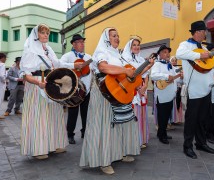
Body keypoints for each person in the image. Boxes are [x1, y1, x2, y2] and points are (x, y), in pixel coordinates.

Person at [80, 27, 153, 175]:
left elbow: (131, 76)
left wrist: (147, 67)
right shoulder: (102, 51)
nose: (117, 38)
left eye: (118, 36)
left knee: (121, 124)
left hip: (118, 94)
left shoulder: (119, 55)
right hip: (103, 93)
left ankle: (120, 153)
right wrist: (125, 71)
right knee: (105, 126)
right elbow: (103, 67)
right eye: (113, 36)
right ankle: (103, 160)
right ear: (107, 38)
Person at [20, 24, 83, 159]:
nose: (46, 35)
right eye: (43, 33)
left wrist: (74, 65)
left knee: (54, 115)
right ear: (36, 35)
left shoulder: (48, 49)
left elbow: (58, 64)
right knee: (40, 117)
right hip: (37, 85)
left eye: (47, 33)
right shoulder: (30, 50)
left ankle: (55, 144)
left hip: (51, 84)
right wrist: (38, 82)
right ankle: (38, 149)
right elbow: (25, 74)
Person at [176, 20, 214, 158]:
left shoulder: (204, 48)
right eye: (204, 31)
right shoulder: (185, 45)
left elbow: (210, 65)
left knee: (202, 119)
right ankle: (187, 146)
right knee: (191, 120)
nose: (206, 33)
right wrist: (199, 55)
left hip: (206, 89)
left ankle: (201, 143)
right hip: (194, 90)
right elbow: (179, 54)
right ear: (198, 32)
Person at [121, 35, 153, 149]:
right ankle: (132, 142)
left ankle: (141, 139)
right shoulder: (124, 59)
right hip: (131, 90)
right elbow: (132, 75)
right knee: (133, 115)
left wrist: (144, 87)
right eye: (134, 45)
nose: (136, 47)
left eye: (138, 45)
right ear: (129, 46)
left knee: (141, 114)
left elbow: (145, 74)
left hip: (142, 89)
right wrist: (138, 87)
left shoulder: (141, 59)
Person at [60, 34, 92, 144]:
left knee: (86, 112)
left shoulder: (88, 57)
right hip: (73, 89)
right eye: (79, 42)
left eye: (83, 42)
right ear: (73, 44)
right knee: (73, 112)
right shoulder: (68, 56)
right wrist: (74, 65)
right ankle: (70, 134)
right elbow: (60, 65)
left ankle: (85, 131)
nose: (82, 44)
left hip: (87, 89)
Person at [151, 45, 180, 144]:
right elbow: (153, 76)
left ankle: (164, 133)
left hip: (170, 95)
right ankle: (161, 135)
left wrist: (181, 76)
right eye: (164, 52)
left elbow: (175, 78)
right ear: (159, 54)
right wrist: (167, 76)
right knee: (162, 116)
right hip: (162, 95)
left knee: (167, 115)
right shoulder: (157, 64)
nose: (167, 54)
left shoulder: (170, 65)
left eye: (168, 52)